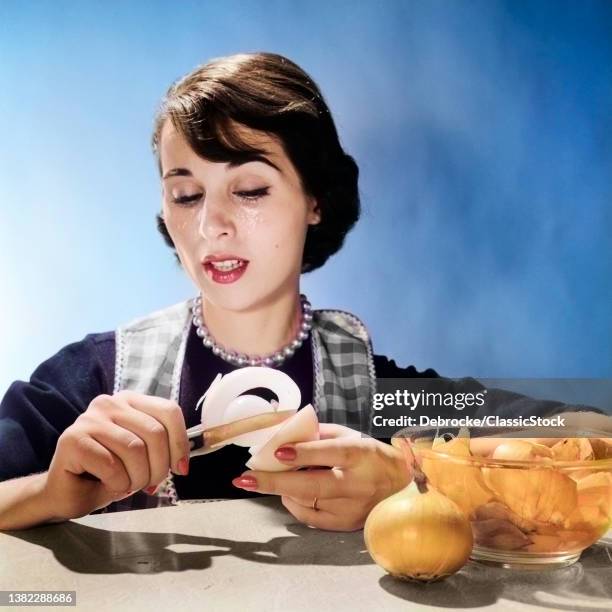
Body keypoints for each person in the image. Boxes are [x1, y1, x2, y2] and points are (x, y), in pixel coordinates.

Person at [0, 52, 608, 532]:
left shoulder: (374, 392)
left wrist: (411, 476)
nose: (211, 224)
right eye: (186, 194)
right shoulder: (99, 379)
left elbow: (585, 432)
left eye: (251, 190)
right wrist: (48, 492)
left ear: (314, 200)